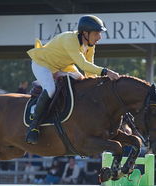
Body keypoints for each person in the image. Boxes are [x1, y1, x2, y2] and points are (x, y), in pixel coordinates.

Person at [25, 15, 120, 144]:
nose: (99, 37)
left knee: (81, 81)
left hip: (62, 66)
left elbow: (88, 69)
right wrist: (106, 72)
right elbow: (82, 65)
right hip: (42, 64)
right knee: (51, 89)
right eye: (97, 33)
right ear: (85, 33)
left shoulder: (90, 45)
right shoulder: (70, 40)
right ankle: (34, 126)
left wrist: (96, 85)